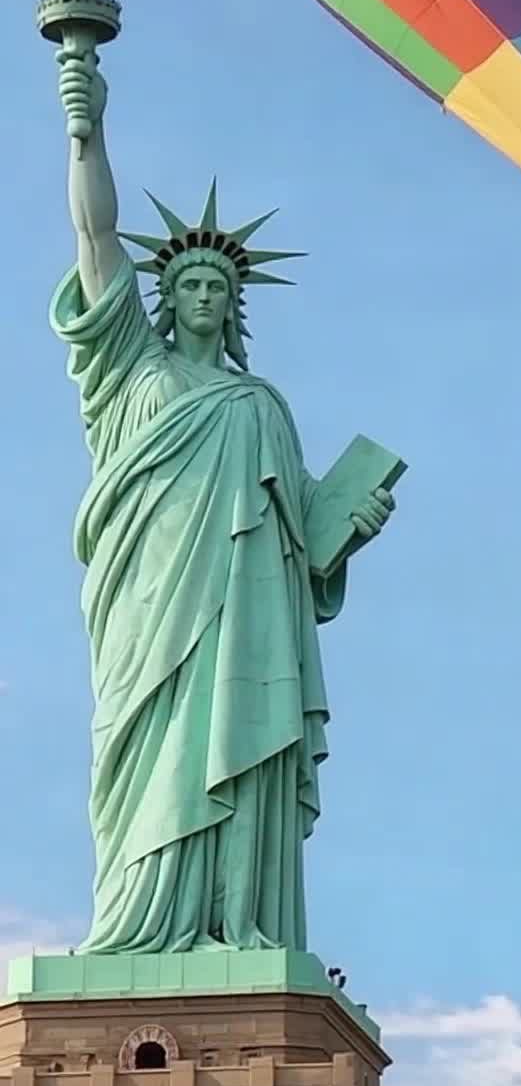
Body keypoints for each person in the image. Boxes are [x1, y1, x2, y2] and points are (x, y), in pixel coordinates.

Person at [50, 46, 396, 954]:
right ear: (164, 299)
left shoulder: (261, 406)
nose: (204, 294)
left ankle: (234, 921)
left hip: (246, 618)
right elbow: (95, 241)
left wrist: (349, 532)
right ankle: (142, 925)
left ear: (237, 305)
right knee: (147, 756)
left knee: (239, 751)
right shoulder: (128, 370)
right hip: (149, 609)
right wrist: (84, 127)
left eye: (219, 286)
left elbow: (301, 543)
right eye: (190, 284)